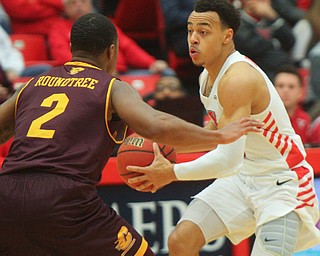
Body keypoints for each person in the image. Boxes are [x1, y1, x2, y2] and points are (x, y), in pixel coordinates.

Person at [0, 12, 263, 255]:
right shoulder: (111, 87)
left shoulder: (32, 85)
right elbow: (156, 125)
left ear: (71, 48)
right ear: (112, 51)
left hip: (6, 195)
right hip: (64, 199)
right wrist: (219, 136)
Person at [127, 1, 320, 255]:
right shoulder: (206, 77)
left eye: (203, 32)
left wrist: (172, 172)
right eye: (190, 31)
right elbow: (215, 138)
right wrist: (162, 150)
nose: (193, 39)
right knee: (180, 241)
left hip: (283, 185)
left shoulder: (238, 79)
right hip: (245, 175)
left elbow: (227, 161)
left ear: (227, 36)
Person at [49, 0, 171, 76]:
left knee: (166, 73)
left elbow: (127, 46)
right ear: (65, 7)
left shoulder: (104, 23)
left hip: (123, 73)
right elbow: (62, 55)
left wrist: (151, 63)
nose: (78, 5)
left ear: (91, 4)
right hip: (85, 77)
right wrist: (100, 71)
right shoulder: (58, 27)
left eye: (83, 1)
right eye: (73, 2)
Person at [234, 0, 295, 80]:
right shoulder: (237, 23)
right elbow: (254, 47)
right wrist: (275, 43)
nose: (264, 2)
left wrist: (274, 17)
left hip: (280, 70)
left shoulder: (269, 19)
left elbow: (290, 41)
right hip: (255, 74)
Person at [274, 65, 312, 144]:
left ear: (301, 92)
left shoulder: (305, 121)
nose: (285, 90)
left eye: (291, 87)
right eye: (280, 86)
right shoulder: (263, 119)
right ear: (273, 90)